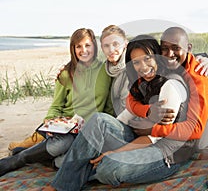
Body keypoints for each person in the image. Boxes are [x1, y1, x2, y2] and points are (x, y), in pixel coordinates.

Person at [43, 34, 193, 190]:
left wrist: (115, 151)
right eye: (136, 62)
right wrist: (103, 133)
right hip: (140, 140)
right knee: (98, 120)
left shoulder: (170, 85)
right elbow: (124, 118)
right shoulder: (142, 83)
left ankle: (81, 171)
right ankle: (62, 186)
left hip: (166, 152)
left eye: (148, 58)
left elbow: (156, 136)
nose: (143, 66)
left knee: (108, 167)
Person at [0, 28, 114, 176]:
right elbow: (56, 106)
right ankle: (19, 159)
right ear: (73, 48)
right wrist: (50, 122)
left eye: (87, 45)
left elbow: (109, 107)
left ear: (94, 45)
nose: (83, 50)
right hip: (65, 129)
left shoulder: (106, 71)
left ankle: (42, 156)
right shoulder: (66, 73)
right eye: (78, 46)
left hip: (89, 131)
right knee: (62, 144)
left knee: (62, 162)